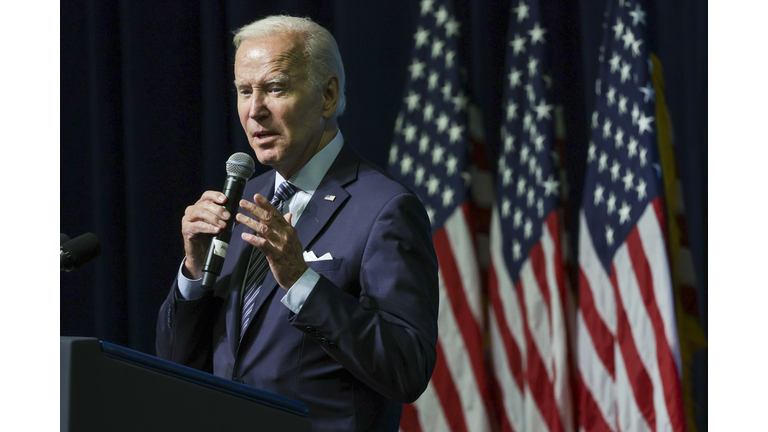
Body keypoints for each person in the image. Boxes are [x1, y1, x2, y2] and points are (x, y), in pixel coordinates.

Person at [155, 15, 439, 432]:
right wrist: (194, 275)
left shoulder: (386, 208)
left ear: (327, 95)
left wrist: (302, 281)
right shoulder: (243, 197)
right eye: (244, 91)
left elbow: (407, 367)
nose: (255, 111)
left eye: (274, 88)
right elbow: (176, 365)